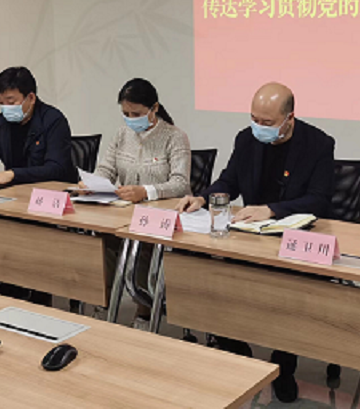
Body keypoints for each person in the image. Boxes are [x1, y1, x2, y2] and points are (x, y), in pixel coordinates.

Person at [176, 82, 335, 403]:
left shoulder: (318, 144)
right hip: (249, 235)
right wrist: (202, 198)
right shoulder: (246, 139)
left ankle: (284, 366)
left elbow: (319, 199)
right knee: (218, 279)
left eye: (267, 122)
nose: (258, 127)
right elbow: (229, 181)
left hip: (292, 237)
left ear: (289, 118)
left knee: (288, 297)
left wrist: (272, 210)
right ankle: (237, 349)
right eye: (254, 119)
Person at [83, 78, 191, 321]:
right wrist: (92, 183)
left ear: (154, 108)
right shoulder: (122, 134)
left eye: (137, 114)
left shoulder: (174, 137)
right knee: (102, 240)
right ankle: (104, 304)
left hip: (159, 217)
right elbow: (106, 169)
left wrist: (146, 191)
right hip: (123, 213)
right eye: (126, 114)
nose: (131, 119)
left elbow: (180, 184)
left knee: (142, 246)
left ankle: (144, 312)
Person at [0, 66, 77, 187]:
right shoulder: (3, 121)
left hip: (49, 191)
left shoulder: (53, 120)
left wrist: (13, 174)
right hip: (16, 190)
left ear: (31, 98)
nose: (6, 108)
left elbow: (55, 169)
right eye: (1, 102)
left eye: (11, 102)